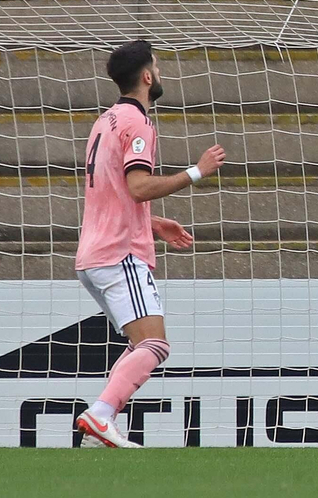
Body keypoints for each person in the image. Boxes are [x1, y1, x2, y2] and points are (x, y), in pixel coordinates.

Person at [74, 40, 224, 448]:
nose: (160, 73)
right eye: (157, 66)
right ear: (146, 76)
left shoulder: (104, 121)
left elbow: (112, 192)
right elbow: (138, 187)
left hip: (94, 254)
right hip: (118, 254)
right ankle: (100, 416)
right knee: (155, 344)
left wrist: (152, 223)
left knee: (142, 344)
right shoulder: (138, 122)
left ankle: (99, 426)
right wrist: (197, 171)